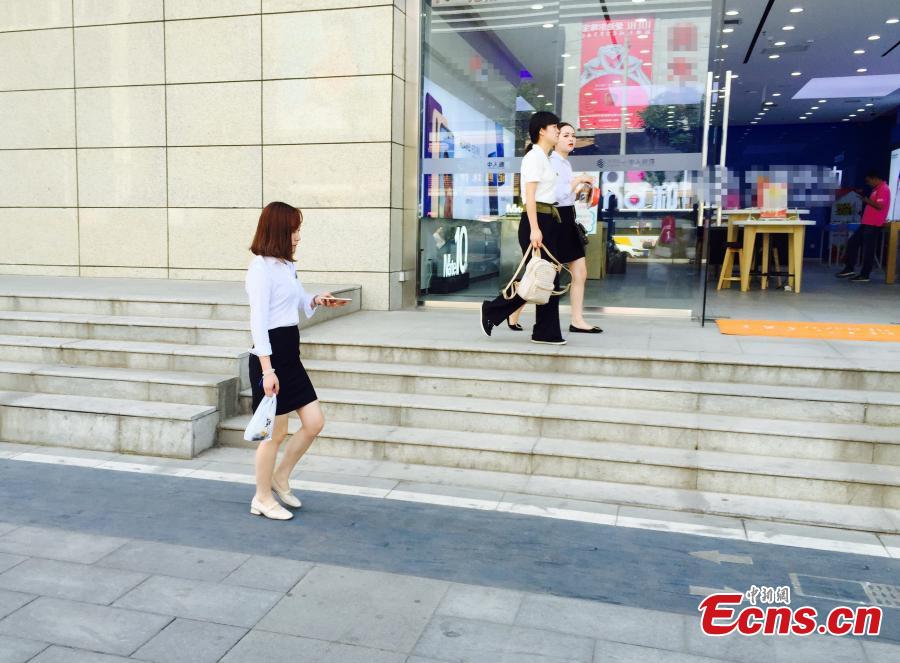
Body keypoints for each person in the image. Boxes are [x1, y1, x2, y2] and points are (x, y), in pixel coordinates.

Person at [246, 201, 347, 520]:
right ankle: (262, 497)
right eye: (294, 230)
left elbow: (295, 301)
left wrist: (316, 299)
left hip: (290, 351)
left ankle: (280, 476)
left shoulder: (285, 265)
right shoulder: (260, 269)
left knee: (314, 422)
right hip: (271, 356)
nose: (298, 236)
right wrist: (267, 370)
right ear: (279, 230)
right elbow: (258, 322)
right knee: (274, 435)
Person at [479, 112, 567, 345]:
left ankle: (543, 331)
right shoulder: (534, 157)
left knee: (547, 278)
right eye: (555, 126)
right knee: (542, 277)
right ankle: (495, 311)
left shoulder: (545, 157)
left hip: (547, 219)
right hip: (537, 220)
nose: (558, 130)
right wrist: (535, 229)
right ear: (542, 130)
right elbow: (529, 196)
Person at [507, 122, 601, 333]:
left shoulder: (565, 164)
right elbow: (555, 197)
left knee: (579, 271)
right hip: (555, 221)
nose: (570, 138)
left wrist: (581, 189)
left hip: (567, 219)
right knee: (544, 276)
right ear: (554, 138)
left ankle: (576, 319)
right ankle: (512, 308)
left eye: (573, 135)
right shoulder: (550, 162)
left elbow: (565, 196)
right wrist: (579, 180)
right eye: (564, 134)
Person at [837, 170, 891, 283]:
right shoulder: (876, 189)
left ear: (875, 178)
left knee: (868, 250)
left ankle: (865, 274)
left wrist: (866, 200)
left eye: (868, 181)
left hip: (874, 224)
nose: (868, 183)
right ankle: (849, 268)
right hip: (867, 223)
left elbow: (880, 206)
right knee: (852, 242)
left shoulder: (884, 189)